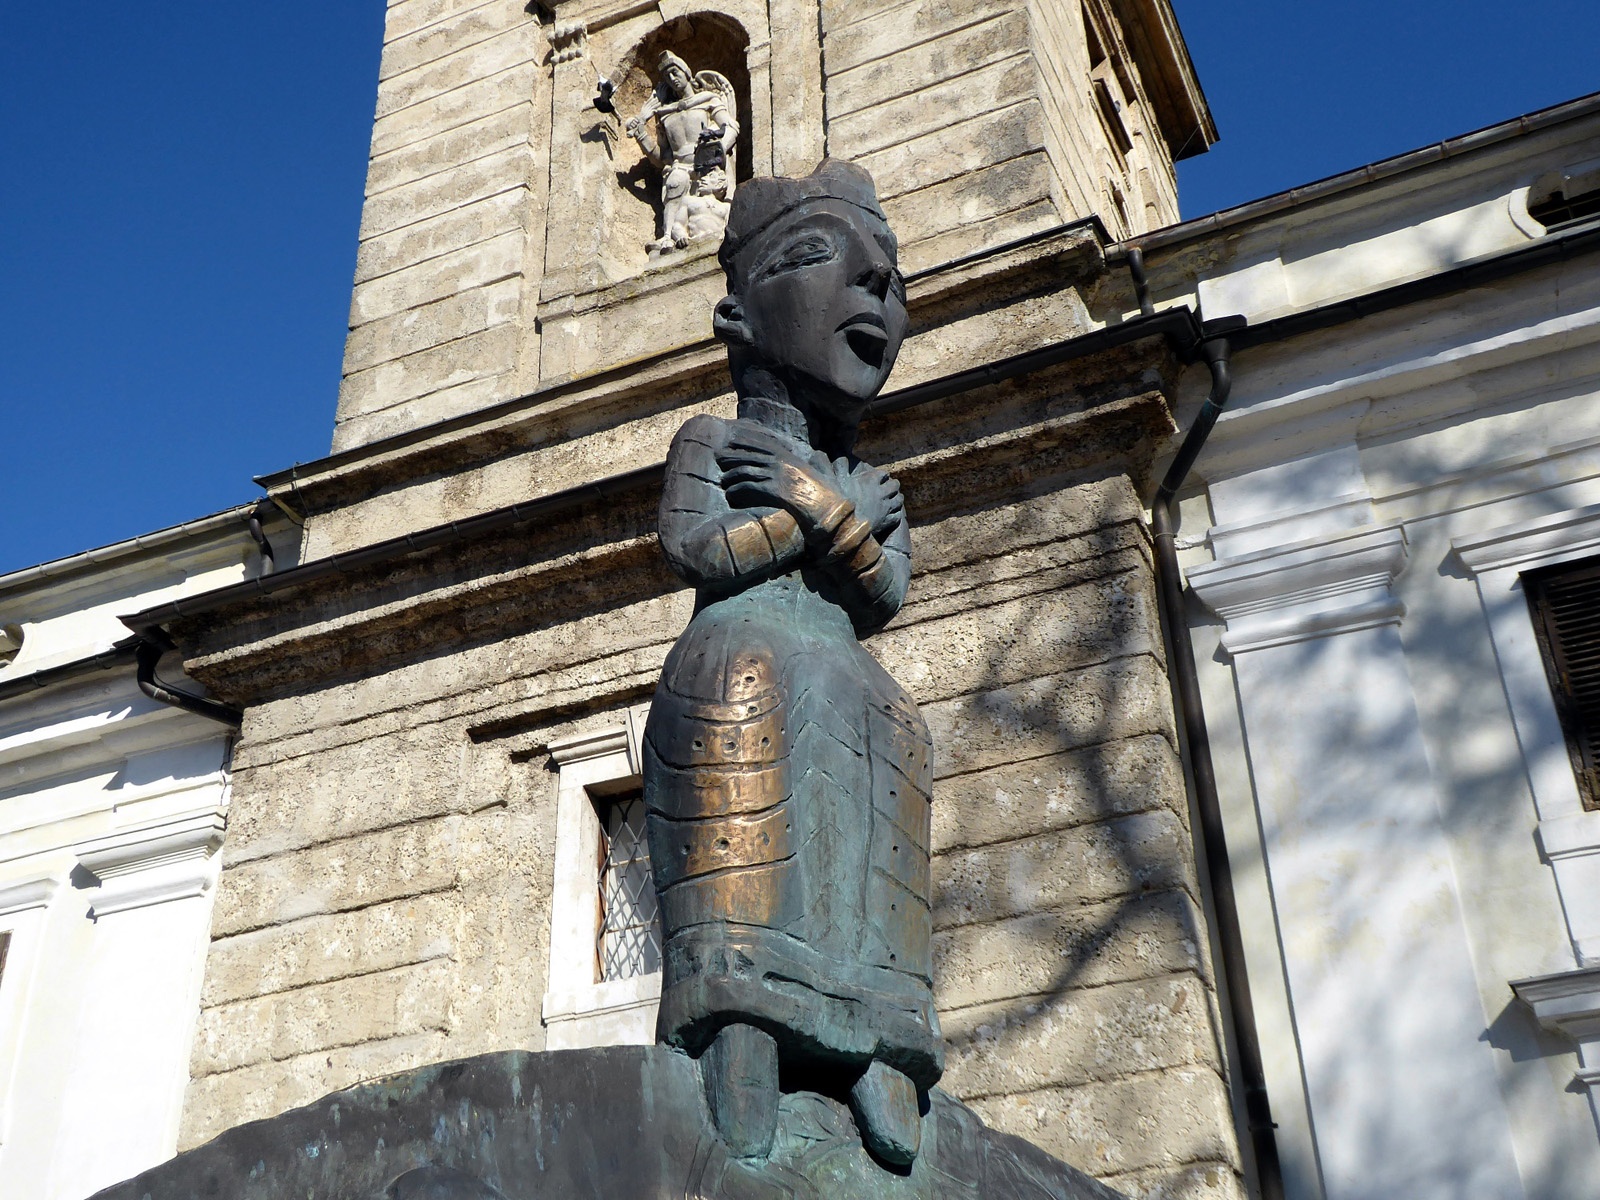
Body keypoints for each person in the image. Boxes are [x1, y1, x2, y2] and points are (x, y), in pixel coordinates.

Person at [643, 160, 939, 1168]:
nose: (876, 290)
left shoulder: (858, 476)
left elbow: (882, 591)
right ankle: (744, 1026)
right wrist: (821, 513)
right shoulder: (711, 439)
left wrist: (813, 508)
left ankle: (881, 1048)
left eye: (891, 279)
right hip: (739, 658)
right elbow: (696, 552)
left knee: (889, 732)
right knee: (752, 712)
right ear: (736, 318)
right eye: (823, 259)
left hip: (852, 681)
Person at [625, 51, 739, 254]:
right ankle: (668, 236)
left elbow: (731, 127)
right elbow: (661, 157)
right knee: (675, 181)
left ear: (686, 73)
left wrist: (718, 149)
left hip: (707, 164)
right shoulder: (665, 114)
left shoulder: (707, 100)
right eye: (667, 76)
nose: (672, 78)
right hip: (680, 164)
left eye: (675, 72)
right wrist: (641, 134)